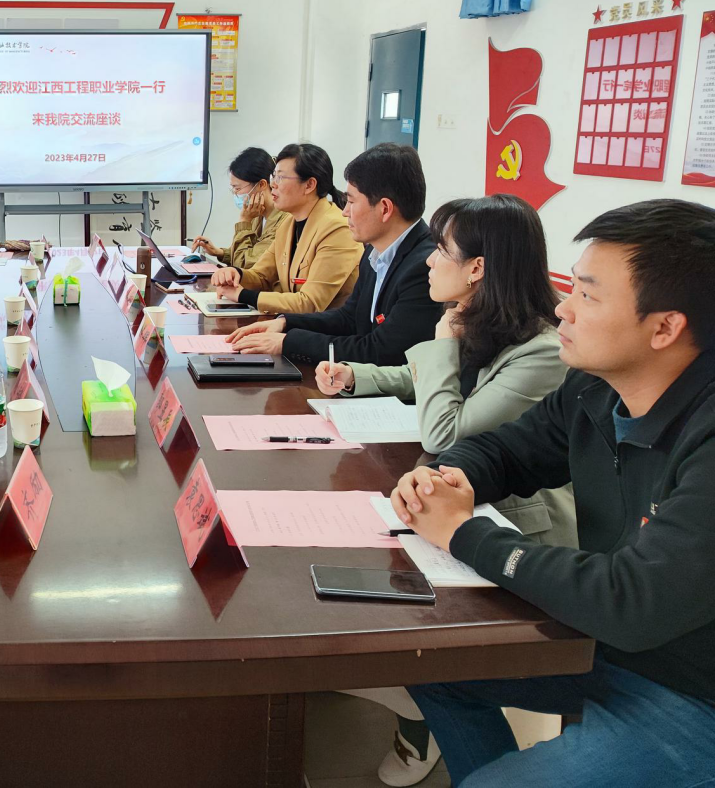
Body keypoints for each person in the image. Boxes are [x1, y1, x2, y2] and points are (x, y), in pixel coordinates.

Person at [391, 200, 715, 787]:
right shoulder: (595, 387)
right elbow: (509, 450)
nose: (563, 307)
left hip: (693, 692)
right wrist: (447, 475)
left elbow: (633, 601)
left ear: (665, 327)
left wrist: (463, 533)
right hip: (605, 646)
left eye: (587, 295)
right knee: (429, 664)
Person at [316, 194, 575, 787]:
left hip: (518, 529)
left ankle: (415, 714)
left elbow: (445, 429)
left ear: (478, 268)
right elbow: (422, 380)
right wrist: (356, 376)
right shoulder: (481, 322)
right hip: (455, 501)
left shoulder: (541, 351)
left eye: (442, 250)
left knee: (411, 636)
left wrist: (442, 340)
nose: (430, 261)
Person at [228, 143, 441, 365]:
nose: (345, 211)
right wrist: (285, 323)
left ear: (385, 209)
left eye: (351, 201)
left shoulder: (423, 267)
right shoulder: (375, 253)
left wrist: (288, 342)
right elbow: (349, 317)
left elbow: (379, 350)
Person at [209, 143, 362, 313]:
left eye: (280, 178)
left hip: (327, 328)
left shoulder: (337, 229)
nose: (273, 184)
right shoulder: (289, 223)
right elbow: (261, 276)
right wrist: (236, 273)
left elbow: (309, 303)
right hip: (294, 323)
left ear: (309, 185)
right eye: (273, 176)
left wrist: (243, 295)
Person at [190, 147, 286, 270]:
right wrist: (219, 252)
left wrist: (244, 221)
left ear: (262, 184)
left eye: (237, 188)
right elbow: (247, 252)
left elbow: (245, 264)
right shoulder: (257, 214)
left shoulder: (283, 222)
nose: (235, 193)